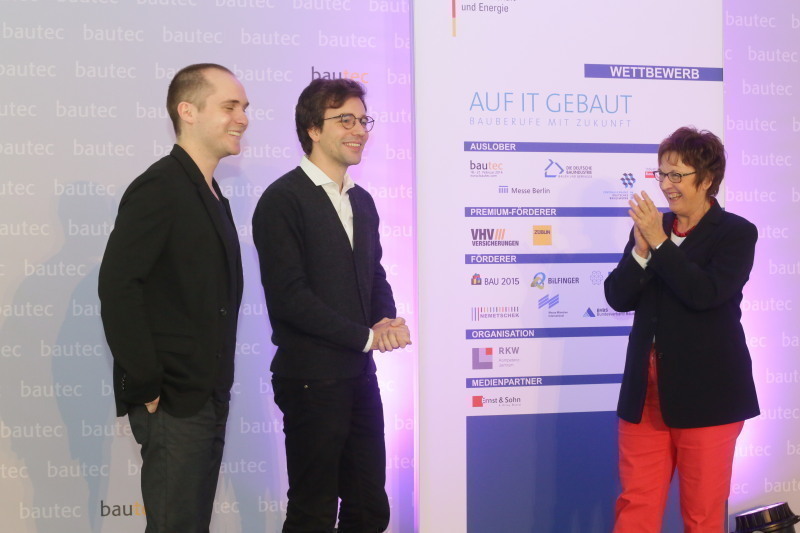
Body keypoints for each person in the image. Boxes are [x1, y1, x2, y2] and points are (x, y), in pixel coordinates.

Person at [252, 78, 411, 533]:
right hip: (310, 380)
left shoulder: (362, 201)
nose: (359, 130)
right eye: (345, 120)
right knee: (314, 512)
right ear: (313, 129)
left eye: (363, 120)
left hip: (359, 376)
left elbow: (373, 274)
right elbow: (290, 298)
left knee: (369, 509)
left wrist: (385, 319)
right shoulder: (283, 200)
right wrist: (365, 337)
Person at [98, 63, 248, 532]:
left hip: (207, 394)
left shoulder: (210, 192)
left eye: (244, 108)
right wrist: (146, 383)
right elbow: (118, 287)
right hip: (173, 399)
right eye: (230, 106)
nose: (242, 118)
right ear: (188, 111)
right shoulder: (160, 185)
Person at [604, 126, 759, 533]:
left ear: (706, 179)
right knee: (635, 506)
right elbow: (617, 297)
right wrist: (641, 251)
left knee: (702, 514)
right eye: (662, 174)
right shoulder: (653, 227)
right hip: (645, 395)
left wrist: (660, 244)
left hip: (709, 395)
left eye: (677, 175)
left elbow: (704, 294)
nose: (666, 185)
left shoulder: (736, 233)